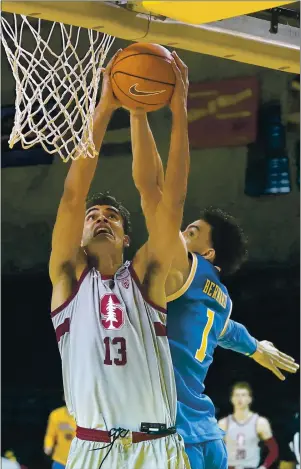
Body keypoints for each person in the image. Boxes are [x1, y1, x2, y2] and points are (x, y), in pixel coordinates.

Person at [130, 96, 299, 469]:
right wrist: (256, 347)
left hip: (174, 436)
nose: (179, 235)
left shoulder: (184, 266)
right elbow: (228, 331)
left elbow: (153, 189)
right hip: (208, 436)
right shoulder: (221, 299)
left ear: (207, 254)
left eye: (190, 232)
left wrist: (138, 112)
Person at [49, 50, 191, 469]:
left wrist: (168, 113)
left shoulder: (148, 274)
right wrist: (107, 105)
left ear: (127, 238)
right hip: (92, 450)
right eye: (93, 217)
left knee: (162, 202)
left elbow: (165, 197)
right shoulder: (66, 277)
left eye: (110, 216)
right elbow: (74, 194)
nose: (100, 219)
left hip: (157, 448)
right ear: (79, 234)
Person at [218, 381, 279, 469]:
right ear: (231, 399)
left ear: (249, 399)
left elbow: (274, 450)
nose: (240, 399)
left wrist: (264, 467)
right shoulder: (223, 423)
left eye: (243, 395)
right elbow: (215, 451)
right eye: (237, 395)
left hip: (250, 466)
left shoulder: (260, 422)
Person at [44, 397, 76, 469]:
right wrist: (48, 445)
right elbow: (50, 435)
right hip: (60, 460)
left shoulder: (87, 416)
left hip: (79, 460)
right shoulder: (56, 414)